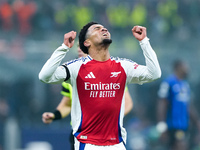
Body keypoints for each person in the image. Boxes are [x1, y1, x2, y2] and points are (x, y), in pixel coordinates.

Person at [39, 22, 161, 150]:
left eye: (104, 28)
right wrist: (63, 47)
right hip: (88, 143)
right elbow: (44, 76)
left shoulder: (123, 66)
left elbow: (154, 74)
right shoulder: (76, 67)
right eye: (97, 29)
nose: (104, 29)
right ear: (87, 42)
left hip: (116, 143)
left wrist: (144, 42)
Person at [42, 44, 134, 150]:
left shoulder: (112, 72)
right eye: (78, 45)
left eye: (84, 45)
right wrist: (55, 115)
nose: (79, 49)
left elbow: (127, 103)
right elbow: (67, 104)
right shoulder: (71, 73)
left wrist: (107, 119)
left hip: (106, 135)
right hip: (80, 134)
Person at [157, 59, 200, 150]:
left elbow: (188, 106)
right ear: (178, 68)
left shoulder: (185, 85)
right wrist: (161, 125)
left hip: (183, 124)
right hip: (172, 124)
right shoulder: (168, 83)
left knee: (178, 145)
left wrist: (197, 122)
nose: (187, 69)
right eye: (185, 67)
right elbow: (162, 104)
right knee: (180, 145)